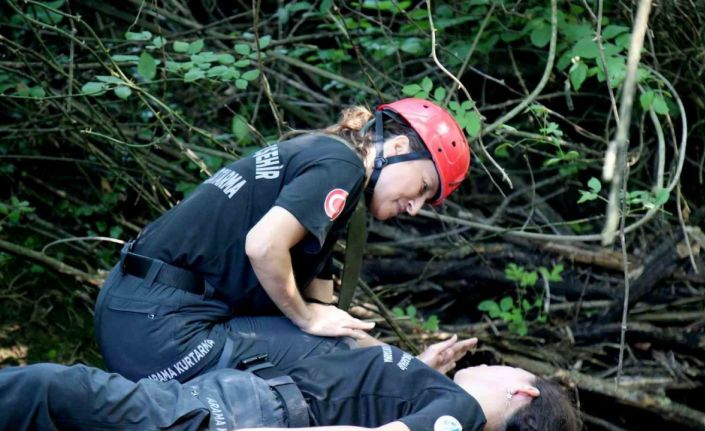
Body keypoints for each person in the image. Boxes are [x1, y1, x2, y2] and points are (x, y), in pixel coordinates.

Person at [94, 98, 472, 383]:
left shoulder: (323, 170)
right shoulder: (343, 167)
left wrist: (410, 365)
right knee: (302, 379)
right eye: (423, 187)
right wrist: (305, 317)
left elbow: (332, 330)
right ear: (399, 148)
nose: (415, 208)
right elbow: (263, 246)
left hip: (137, 312)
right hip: (161, 328)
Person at [0, 338, 580, 431]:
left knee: (58, 389)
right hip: (247, 398)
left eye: (513, 370)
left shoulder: (459, 415)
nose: (495, 364)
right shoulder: (444, 399)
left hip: (249, 415)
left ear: (523, 393)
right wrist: (419, 364)